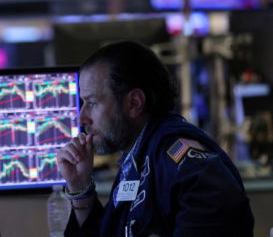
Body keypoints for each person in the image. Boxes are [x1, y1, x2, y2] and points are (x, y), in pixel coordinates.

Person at [56, 40, 254, 237]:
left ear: (134, 103)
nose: (82, 118)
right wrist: (80, 187)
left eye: (92, 103)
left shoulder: (186, 164)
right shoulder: (138, 159)